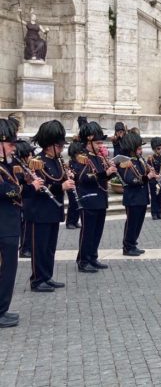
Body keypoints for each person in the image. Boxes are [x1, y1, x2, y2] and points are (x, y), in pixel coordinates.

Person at [27, 120, 74, 292]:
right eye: (59, 146)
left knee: (50, 247)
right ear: (49, 145)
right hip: (40, 211)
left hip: (54, 209)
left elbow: (58, 178)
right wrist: (61, 186)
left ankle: (47, 276)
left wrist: (68, 177)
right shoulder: (37, 162)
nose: (62, 149)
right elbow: (41, 186)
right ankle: (37, 280)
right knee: (40, 247)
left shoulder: (58, 160)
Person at [73, 121, 117, 272]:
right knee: (88, 232)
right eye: (97, 143)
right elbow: (84, 178)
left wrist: (111, 173)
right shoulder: (82, 157)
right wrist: (105, 173)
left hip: (100, 199)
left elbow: (101, 178)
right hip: (88, 199)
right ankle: (83, 260)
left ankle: (93, 257)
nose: (100, 146)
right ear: (89, 141)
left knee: (97, 231)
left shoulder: (98, 157)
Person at [118, 132, 157, 256]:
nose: (141, 151)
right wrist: (147, 177)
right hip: (132, 198)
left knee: (139, 222)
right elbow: (131, 180)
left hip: (142, 197)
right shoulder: (125, 162)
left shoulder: (139, 160)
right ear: (132, 148)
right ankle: (127, 246)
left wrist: (151, 173)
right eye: (139, 148)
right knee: (132, 223)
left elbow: (143, 176)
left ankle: (133, 243)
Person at [0, 119, 22, 327]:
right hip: (3, 227)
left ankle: (3, 308)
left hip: (8, 225)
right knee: (4, 270)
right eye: (10, 143)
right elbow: (8, 191)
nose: (13, 147)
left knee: (9, 270)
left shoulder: (5, 166)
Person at [15, 140, 35, 259]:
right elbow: (19, 184)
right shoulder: (17, 167)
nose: (31, 156)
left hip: (28, 200)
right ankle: (24, 248)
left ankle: (27, 246)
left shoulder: (24, 166)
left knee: (28, 224)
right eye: (29, 154)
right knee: (26, 225)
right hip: (22, 200)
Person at [148, 137, 161, 220]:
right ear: (154, 149)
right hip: (154, 180)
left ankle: (159, 213)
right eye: (158, 148)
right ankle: (154, 213)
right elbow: (148, 169)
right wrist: (155, 175)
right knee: (154, 197)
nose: (160, 150)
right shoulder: (151, 158)